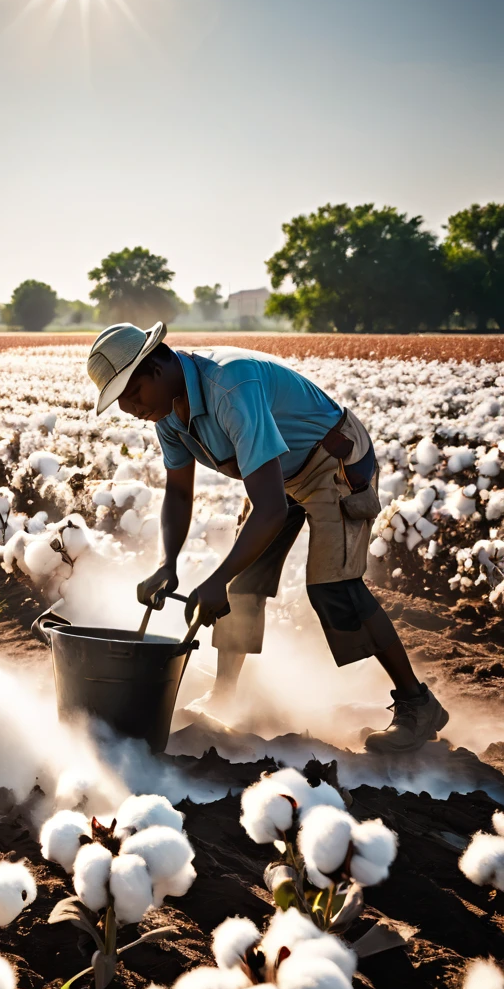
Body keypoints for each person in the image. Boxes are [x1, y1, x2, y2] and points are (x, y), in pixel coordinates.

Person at [85, 320, 448, 754]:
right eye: (119, 399)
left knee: (334, 588)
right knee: (242, 583)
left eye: (131, 393)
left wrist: (216, 580)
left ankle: (417, 704)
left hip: (330, 460)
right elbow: (179, 493)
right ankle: (225, 697)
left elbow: (271, 509)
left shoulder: (231, 387)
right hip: (279, 473)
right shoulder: (168, 413)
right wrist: (168, 563)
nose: (128, 408)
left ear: (156, 368)